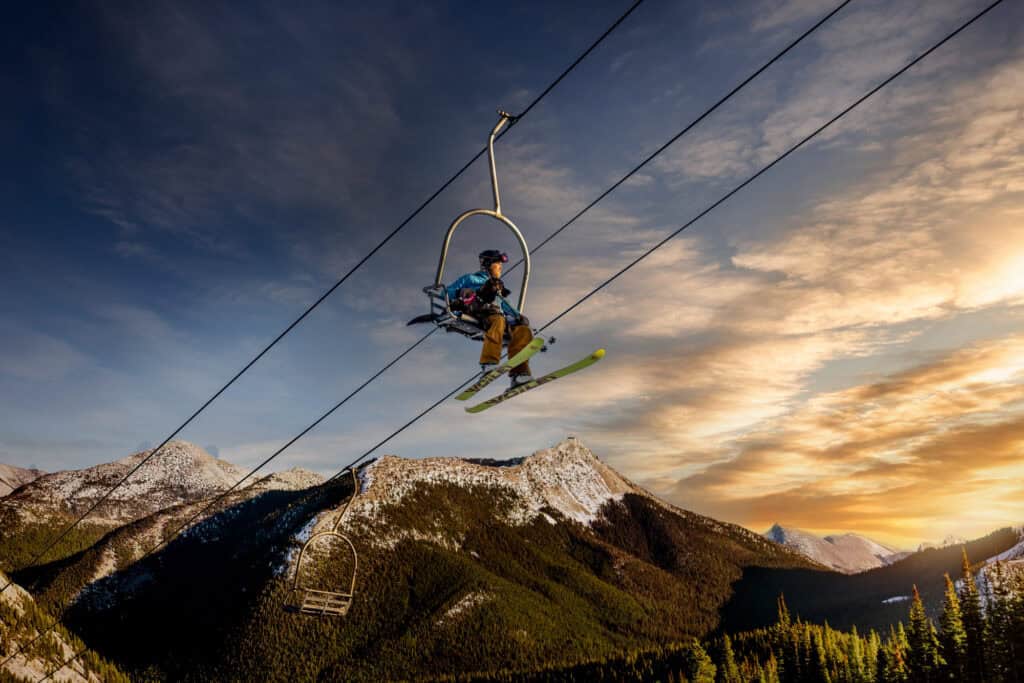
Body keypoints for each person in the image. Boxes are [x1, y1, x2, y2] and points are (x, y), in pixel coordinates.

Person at [447, 249, 534, 388]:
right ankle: (488, 364)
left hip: (497, 314)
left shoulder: (498, 284)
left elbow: (504, 304)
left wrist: (518, 316)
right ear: (487, 265)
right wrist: (461, 292)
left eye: (501, 264)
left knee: (523, 331)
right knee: (497, 320)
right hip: (478, 311)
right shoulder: (470, 279)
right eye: (497, 263)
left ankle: (519, 374)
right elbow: (446, 292)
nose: (500, 267)